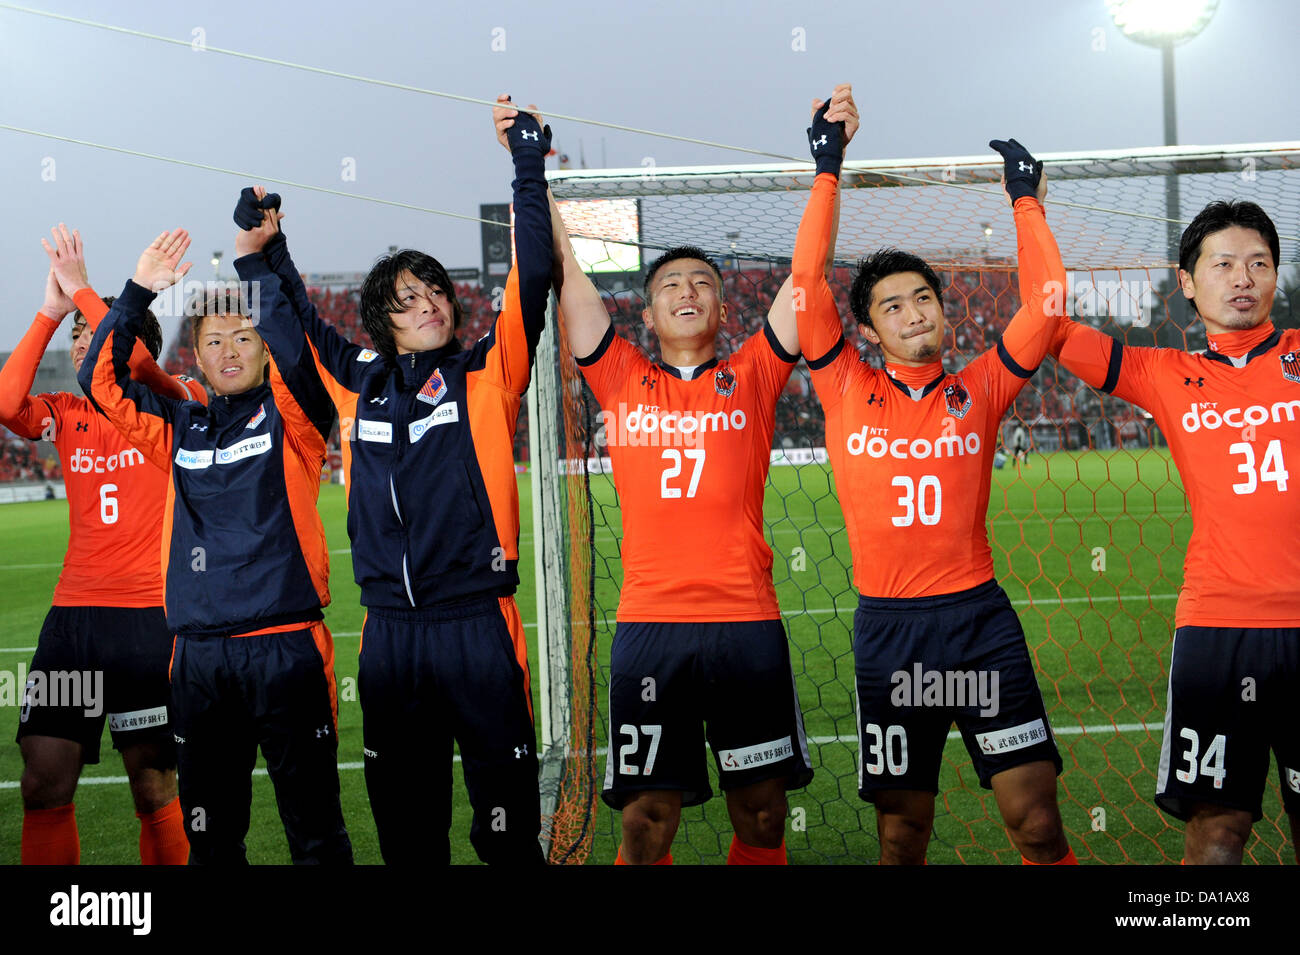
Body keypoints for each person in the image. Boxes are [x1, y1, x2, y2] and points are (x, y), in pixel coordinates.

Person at [521, 88, 867, 865]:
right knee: (645, 819)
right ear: (644, 314)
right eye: (669, 283)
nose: (685, 289)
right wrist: (530, 169)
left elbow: (806, 277)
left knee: (764, 814)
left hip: (746, 625)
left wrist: (827, 167)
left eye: (702, 281)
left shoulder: (752, 374)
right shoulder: (619, 376)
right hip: (650, 630)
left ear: (723, 303)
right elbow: (567, 266)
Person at [235, 97, 552, 864]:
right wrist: (260, 253)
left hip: (478, 626)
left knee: (506, 833)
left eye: (436, 290)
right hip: (389, 638)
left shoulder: (488, 369)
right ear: (383, 321)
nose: (431, 304)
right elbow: (294, 326)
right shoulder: (355, 381)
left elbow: (534, 268)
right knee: (410, 836)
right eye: (408, 299)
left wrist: (527, 161)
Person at [792, 105, 1075, 864]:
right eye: (893, 304)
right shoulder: (845, 385)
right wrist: (827, 167)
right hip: (891, 635)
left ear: (944, 312)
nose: (913, 311)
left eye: (924, 298)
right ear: (869, 330)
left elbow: (1046, 308)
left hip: (981, 625)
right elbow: (805, 279)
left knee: (1039, 824)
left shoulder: (980, 387)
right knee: (902, 833)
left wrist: (1025, 201)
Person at [78, 223, 352, 865]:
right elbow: (100, 380)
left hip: (284, 650)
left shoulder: (297, 419)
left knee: (314, 833)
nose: (229, 351)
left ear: (264, 350)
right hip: (198, 661)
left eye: (243, 339)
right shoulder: (179, 427)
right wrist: (140, 287)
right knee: (211, 836)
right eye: (213, 342)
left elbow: (296, 343)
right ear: (195, 358)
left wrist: (254, 262)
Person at [1048, 199, 1299, 865]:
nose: (1242, 276)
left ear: (1276, 275)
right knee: (1216, 837)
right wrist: (1027, 206)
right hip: (1219, 632)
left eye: (1258, 262)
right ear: (1187, 282)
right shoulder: (1167, 374)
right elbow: (1051, 326)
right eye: (1223, 264)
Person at [1, 224, 203, 865]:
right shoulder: (67, 410)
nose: (83, 348)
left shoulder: (172, 406)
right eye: (79, 339)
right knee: (42, 780)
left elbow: (134, 362)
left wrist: (90, 293)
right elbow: (8, 405)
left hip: (148, 620)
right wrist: (49, 313)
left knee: (152, 787)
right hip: (74, 624)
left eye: (94, 338)